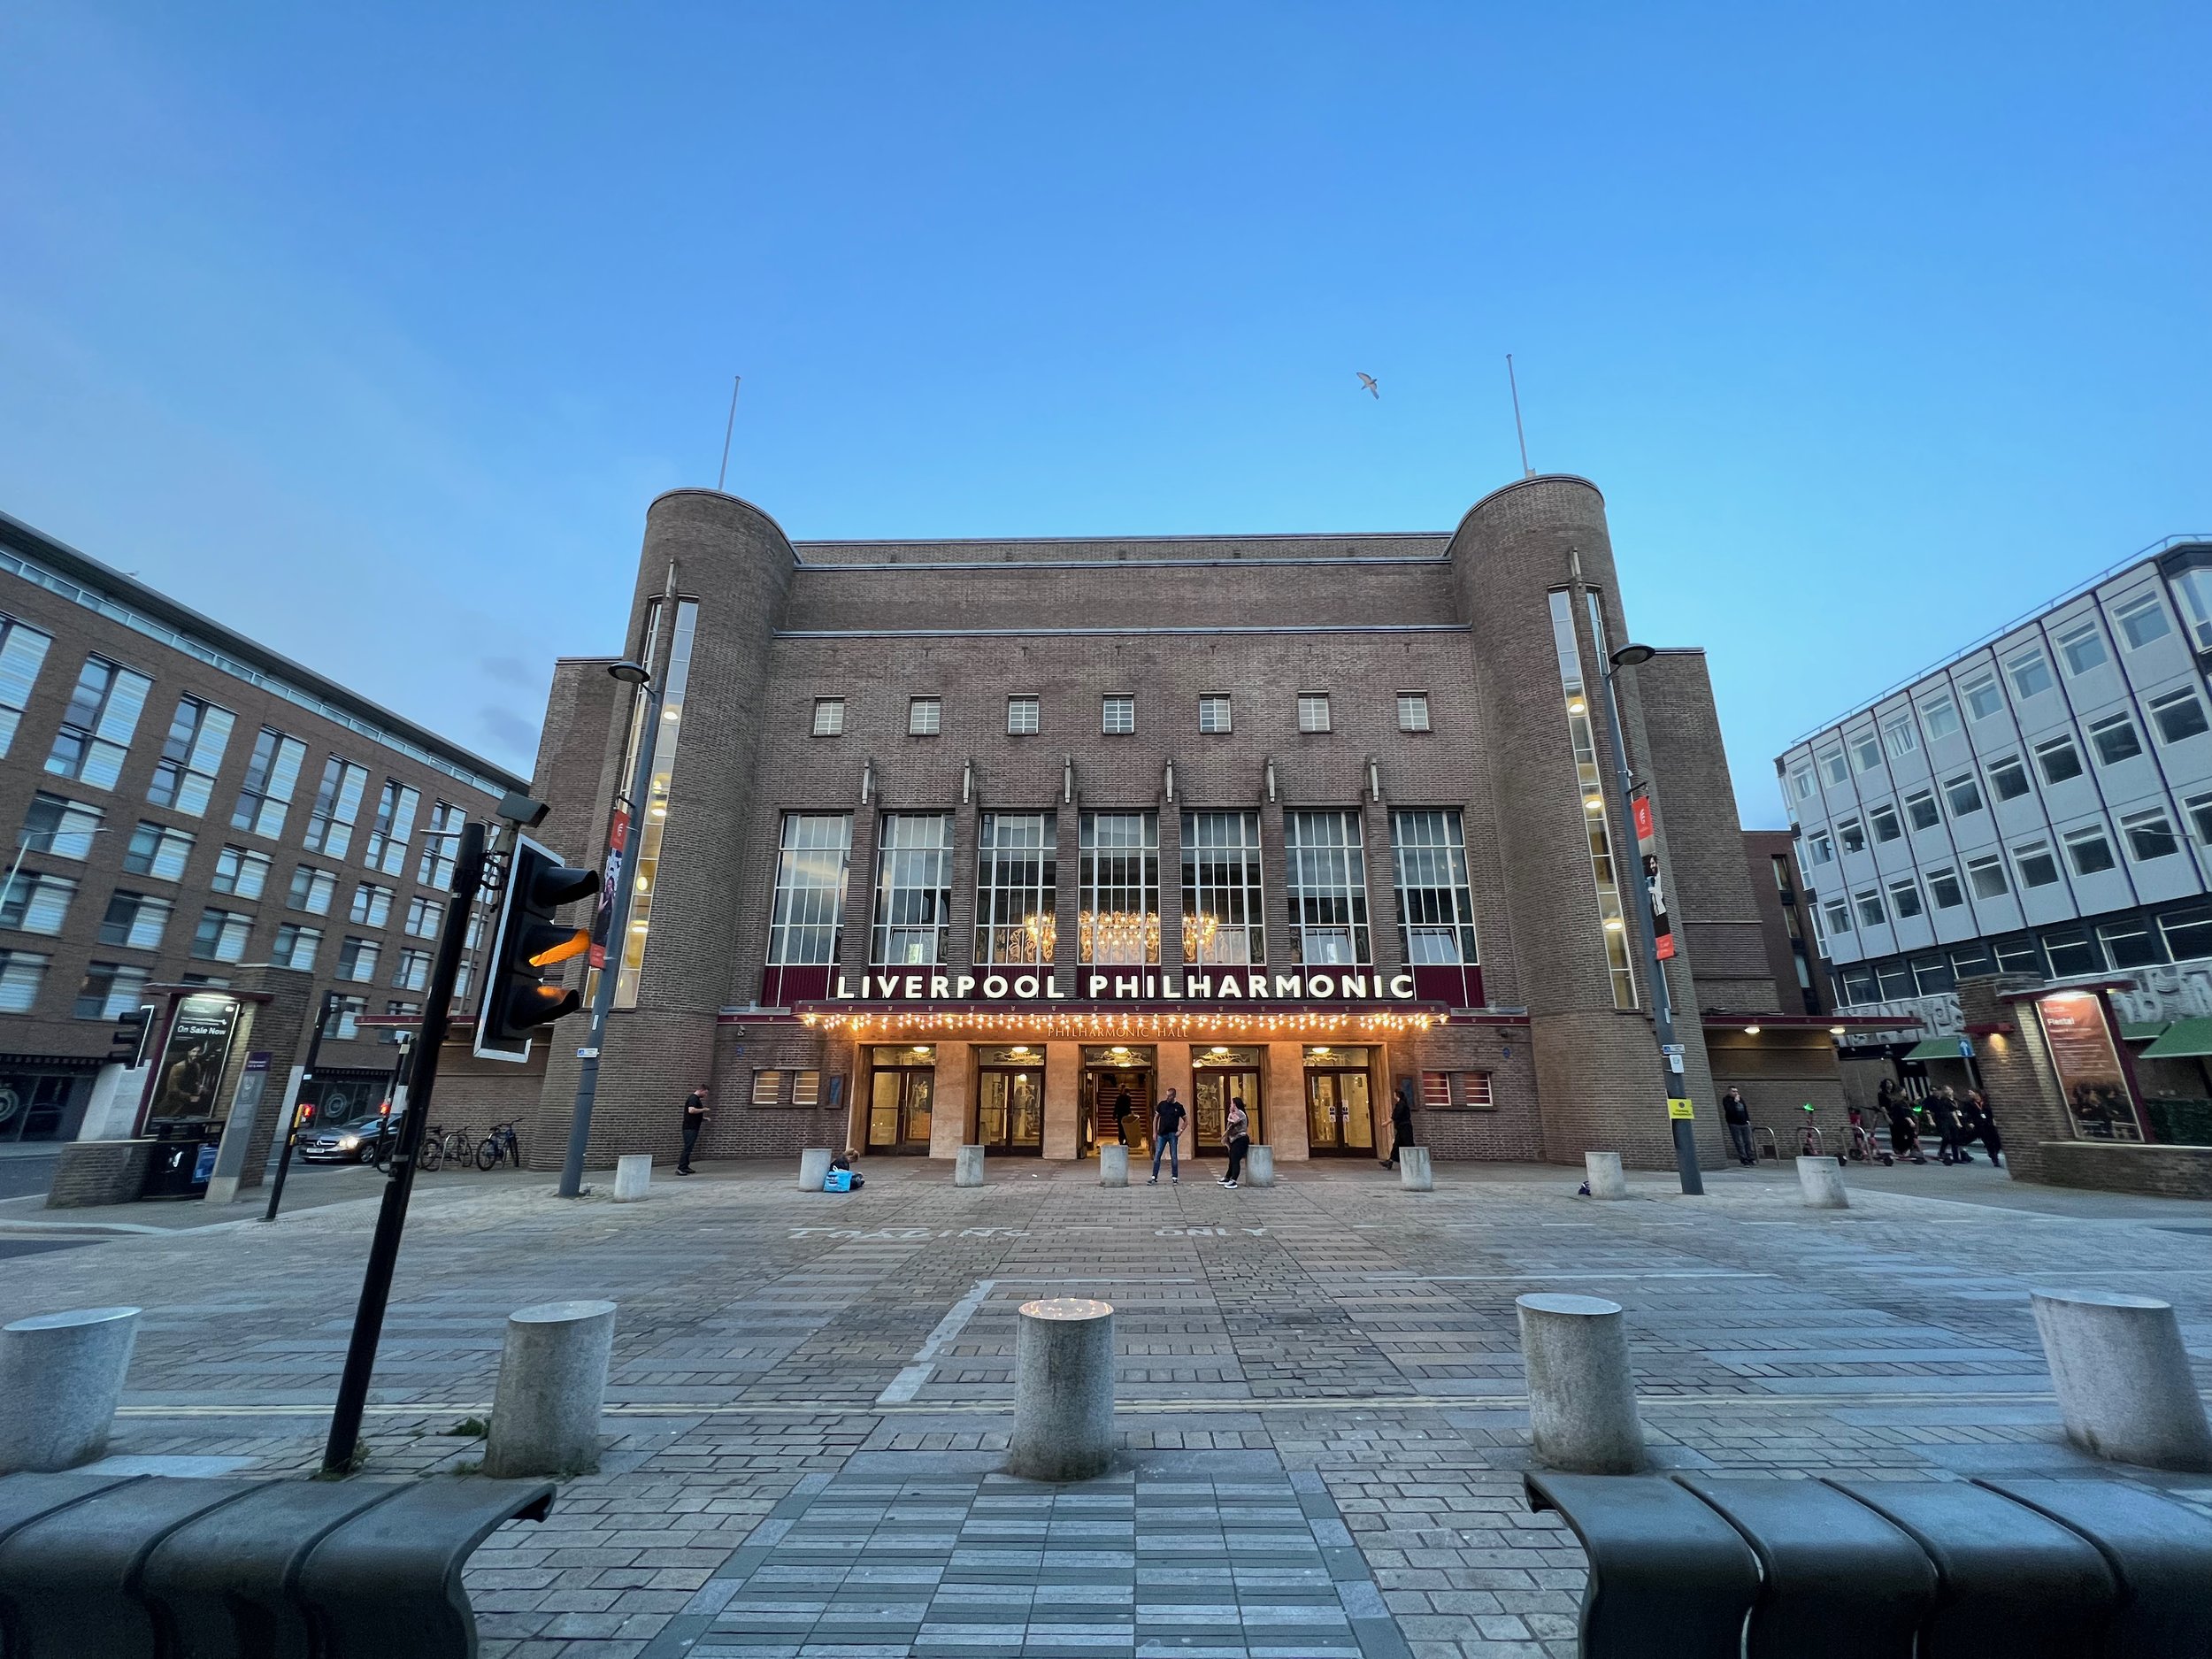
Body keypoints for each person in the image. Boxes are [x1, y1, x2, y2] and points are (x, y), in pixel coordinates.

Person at [1149, 1087, 1186, 1184]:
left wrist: (1180, 1131)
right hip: (1162, 1133)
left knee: (1173, 1155)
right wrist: (1154, 1132)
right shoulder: (1162, 1105)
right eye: (1167, 1095)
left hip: (1173, 1134)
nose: (1168, 1098)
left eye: (1170, 1096)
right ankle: (1154, 1176)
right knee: (1157, 1155)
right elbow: (1156, 1118)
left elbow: (1186, 1120)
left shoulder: (1179, 1107)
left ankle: (1175, 1177)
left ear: (1174, 1096)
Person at [1882, 1082, 1925, 1164]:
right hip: (1901, 1124)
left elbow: (1916, 1110)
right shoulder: (1897, 1103)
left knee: (1912, 1137)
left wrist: (1917, 1102)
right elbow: (1904, 1114)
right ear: (1899, 1092)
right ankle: (1903, 1151)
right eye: (1904, 1091)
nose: (1905, 1093)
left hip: (1907, 1124)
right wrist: (1911, 1121)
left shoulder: (1906, 1102)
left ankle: (1911, 1151)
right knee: (1909, 1137)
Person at [677, 1087, 710, 1174]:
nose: (705, 1095)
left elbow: (693, 1115)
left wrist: (702, 1119)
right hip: (690, 1128)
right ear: (701, 1090)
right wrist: (704, 1109)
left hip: (693, 1126)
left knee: (689, 1147)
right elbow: (691, 1110)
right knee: (688, 1147)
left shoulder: (696, 1099)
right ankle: (681, 1167)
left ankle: (685, 1166)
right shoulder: (693, 1098)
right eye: (705, 1093)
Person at [1964, 1093, 2003, 1167]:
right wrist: (1970, 1122)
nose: (1969, 1094)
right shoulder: (1970, 1104)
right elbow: (1968, 1114)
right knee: (1988, 1143)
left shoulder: (1986, 1102)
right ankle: (1995, 1160)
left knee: (1998, 1142)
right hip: (1980, 1125)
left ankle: (1994, 1153)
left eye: (1971, 1092)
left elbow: (1991, 1112)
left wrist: (1994, 1119)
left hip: (1990, 1124)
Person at [1384, 1080, 1417, 1169]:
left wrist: (1386, 1123)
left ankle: (1413, 1161)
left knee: (1407, 1144)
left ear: (1397, 1094)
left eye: (1394, 1093)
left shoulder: (1401, 1105)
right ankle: (1390, 1161)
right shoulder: (1401, 1104)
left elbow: (1395, 1116)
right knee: (1397, 1144)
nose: (1393, 1095)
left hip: (1405, 1128)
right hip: (1402, 1128)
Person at [1220, 1095, 1250, 1188]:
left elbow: (1234, 1121)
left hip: (1241, 1139)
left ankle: (1234, 1180)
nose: (1230, 1105)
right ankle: (1228, 1177)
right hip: (1234, 1139)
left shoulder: (1240, 1113)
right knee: (1232, 1159)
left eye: (1232, 1103)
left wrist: (1231, 1114)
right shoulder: (1234, 1113)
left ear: (1235, 1104)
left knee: (1235, 1160)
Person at [1722, 1087, 1755, 1165]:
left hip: (1744, 1123)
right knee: (1739, 1142)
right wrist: (1735, 1102)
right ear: (1729, 1092)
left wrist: (1748, 1120)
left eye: (1736, 1091)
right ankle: (1744, 1159)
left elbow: (1745, 1109)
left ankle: (1750, 1158)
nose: (1736, 1093)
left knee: (1748, 1141)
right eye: (1733, 1091)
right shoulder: (1726, 1100)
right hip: (1734, 1124)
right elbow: (1729, 1111)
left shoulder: (1741, 1099)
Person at [1111, 1079, 1133, 1147]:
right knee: (1126, 1128)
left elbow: (1116, 1107)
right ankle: (1126, 1140)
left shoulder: (1119, 1098)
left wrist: (1114, 1115)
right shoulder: (1128, 1098)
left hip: (1120, 1115)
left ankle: (1121, 1140)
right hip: (1126, 1114)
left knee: (1121, 1128)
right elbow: (1128, 1107)